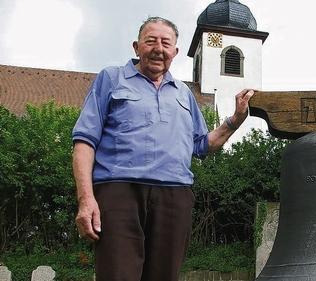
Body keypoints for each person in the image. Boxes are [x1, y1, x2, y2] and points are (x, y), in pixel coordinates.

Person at [72, 16, 254, 281]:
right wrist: (86, 199)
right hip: (119, 192)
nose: (159, 48)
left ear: (175, 52)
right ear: (136, 47)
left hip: (174, 196)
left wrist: (235, 120)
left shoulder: (184, 93)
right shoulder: (111, 79)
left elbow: (202, 145)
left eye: (166, 43)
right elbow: (84, 141)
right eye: (151, 41)